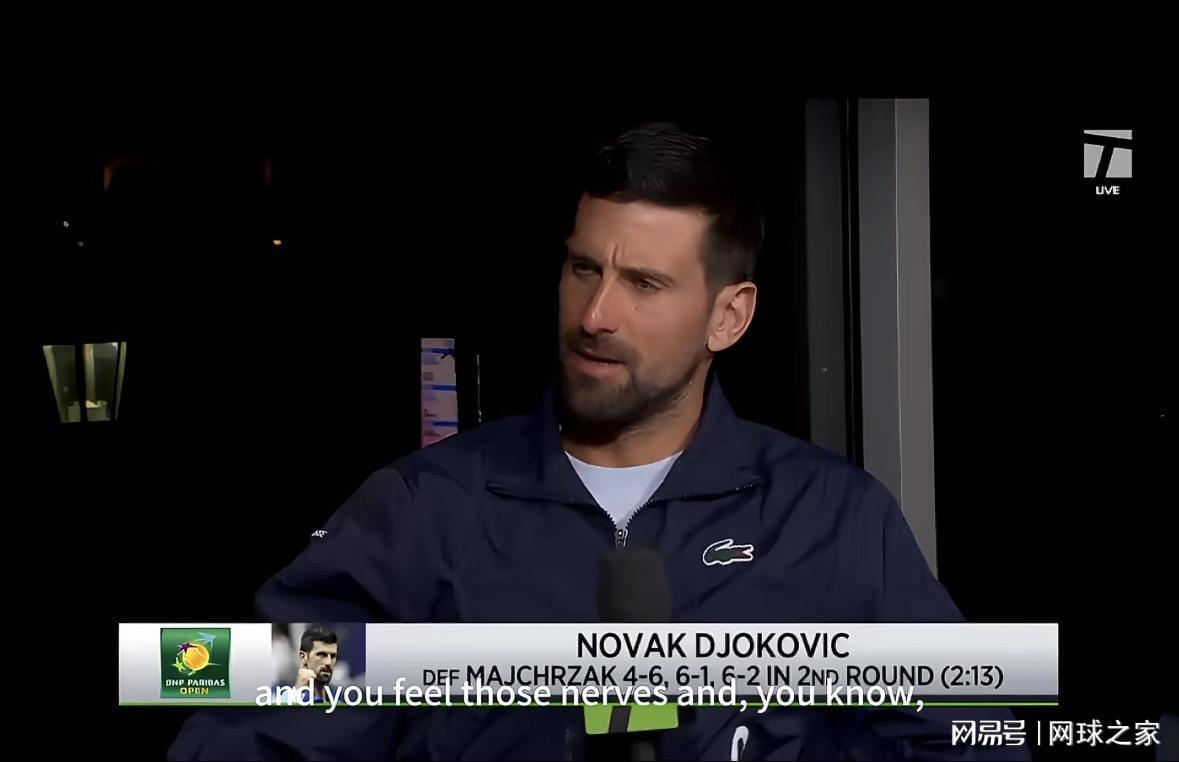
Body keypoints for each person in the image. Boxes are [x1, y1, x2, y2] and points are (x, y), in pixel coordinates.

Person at [170, 123, 1026, 760]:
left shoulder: (830, 518)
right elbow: (258, 720)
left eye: (644, 283)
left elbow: (965, 737)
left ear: (728, 316)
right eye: (584, 268)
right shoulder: (420, 514)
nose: (595, 315)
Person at [295, 626, 338, 703]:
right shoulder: (281, 700)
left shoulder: (340, 704)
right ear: (303, 657)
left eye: (333, 656)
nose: (328, 662)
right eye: (322, 655)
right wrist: (298, 693)